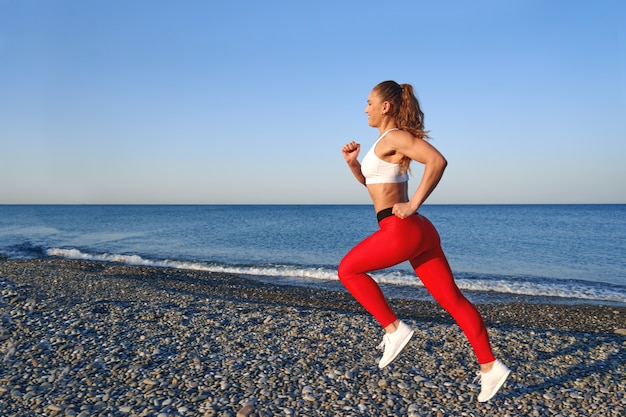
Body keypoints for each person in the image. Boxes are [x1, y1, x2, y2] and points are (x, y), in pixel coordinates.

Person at [339, 80, 510, 402]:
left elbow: (437, 161)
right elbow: (375, 186)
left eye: (368, 102)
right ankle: (490, 367)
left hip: (400, 227)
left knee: (348, 271)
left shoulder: (396, 137)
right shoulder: (384, 143)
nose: (365, 109)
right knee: (452, 300)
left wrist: (415, 203)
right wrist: (353, 166)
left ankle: (394, 329)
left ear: (385, 106)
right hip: (417, 231)